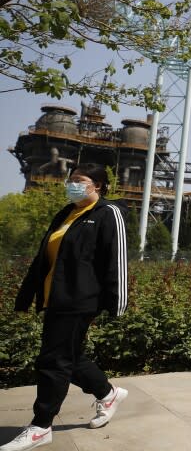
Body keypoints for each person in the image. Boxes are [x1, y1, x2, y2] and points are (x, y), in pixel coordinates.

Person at [5, 164, 128, 451]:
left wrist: (117, 304)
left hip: (80, 300)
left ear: (97, 185)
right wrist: (25, 297)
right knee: (69, 358)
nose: (72, 185)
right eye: (70, 180)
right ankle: (108, 394)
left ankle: (40, 426)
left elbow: (117, 259)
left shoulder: (108, 213)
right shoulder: (66, 213)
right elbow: (43, 259)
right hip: (56, 298)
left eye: (79, 180)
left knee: (53, 361)